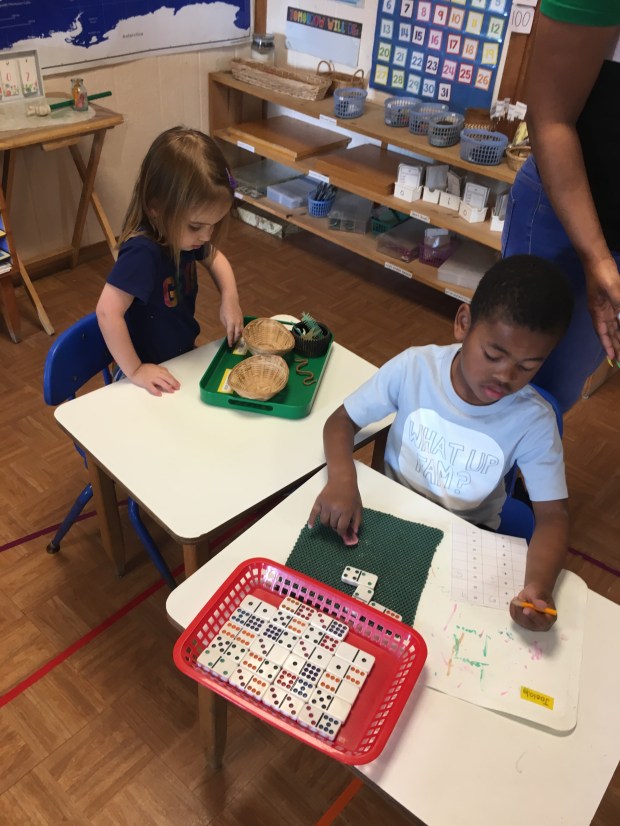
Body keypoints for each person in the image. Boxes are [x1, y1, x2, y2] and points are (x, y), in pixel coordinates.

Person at [308, 256, 573, 631]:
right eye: (493, 355)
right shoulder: (415, 368)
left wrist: (538, 587)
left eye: (528, 366)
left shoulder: (534, 420)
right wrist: (342, 479)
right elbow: (341, 421)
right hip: (386, 517)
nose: (505, 375)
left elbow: (553, 516)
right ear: (463, 323)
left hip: (464, 541)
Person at [502, 2, 620, 412]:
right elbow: (551, 119)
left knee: (548, 403)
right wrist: (597, 258)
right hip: (573, 220)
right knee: (523, 391)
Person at [96, 126, 243, 396]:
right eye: (196, 226)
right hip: (141, 374)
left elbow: (215, 257)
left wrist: (229, 297)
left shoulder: (183, 237)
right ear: (157, 208)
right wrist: (136, 370)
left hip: (179, 360)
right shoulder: (142, 252)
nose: (206, 236)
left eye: (213, 224)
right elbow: (107, 312)